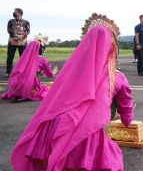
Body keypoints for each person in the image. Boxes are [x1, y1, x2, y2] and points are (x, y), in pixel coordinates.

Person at [9, 14, 134, 170]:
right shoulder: (118, 77)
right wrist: (127, 120)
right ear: (112, 47)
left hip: (56, 125)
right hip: (87, 131)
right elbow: (126, 106)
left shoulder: (71, 72)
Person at [1, 34, 58, 102]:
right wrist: (54, 71)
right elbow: (50, 74)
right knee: (46, 89)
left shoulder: (24, 58)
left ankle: (20, 93)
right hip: (30, 86)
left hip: (18, 87)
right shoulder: (42, 59)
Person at [6, 8, 30, 77]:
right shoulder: (10, 21)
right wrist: (16, 35)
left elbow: (28, 31)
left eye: (15, 12)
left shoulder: (26, 22)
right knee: (10, 57)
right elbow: (9, 30)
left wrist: (21, 37)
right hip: (12, 42)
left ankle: (23, 71)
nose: (14, 13)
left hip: (22, 42)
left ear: (19, 13)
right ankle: (9, 72)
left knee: (23, 58)